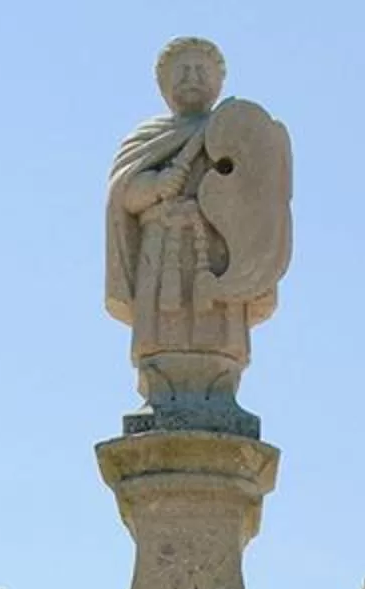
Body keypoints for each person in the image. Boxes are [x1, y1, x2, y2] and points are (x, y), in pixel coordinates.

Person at [103, 37, 291, 427]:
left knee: (220, 339)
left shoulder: (237, 135)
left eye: (201, 70)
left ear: (218, 82)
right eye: (182, 70)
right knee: (161, 339)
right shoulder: (148, 138)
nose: (192, 78)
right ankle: (161, 389)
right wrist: (157, 186)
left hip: (217, 259)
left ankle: (220, 388)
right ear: (164, 83)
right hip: (163, 250)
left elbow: (258, 199)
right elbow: (125, 196)